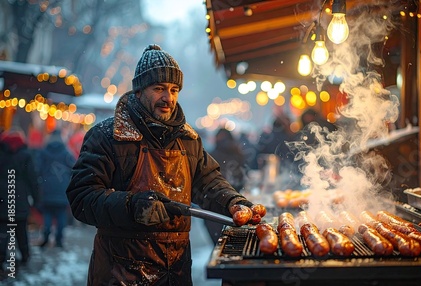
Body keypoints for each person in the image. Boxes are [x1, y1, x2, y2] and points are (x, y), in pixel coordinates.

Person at [66, 44, 261, 285]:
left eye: (174, 89)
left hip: (175, 272)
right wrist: (132, 207)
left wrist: (232, 201)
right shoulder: (107, 136)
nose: (168, 98)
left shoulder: (188, 139)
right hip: (121, 272)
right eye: (158, 88)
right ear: (139, 91)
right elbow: (81, 197)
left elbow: (208, 181)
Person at [0, 129, 39, 279]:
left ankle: (2, 259)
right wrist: (36, 199)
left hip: (3, 199)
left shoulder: (1, 155)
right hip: (20, 198)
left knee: (3, 230)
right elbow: (32, 179)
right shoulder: (25, 155)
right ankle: (25, 255)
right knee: (21, 230)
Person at [36, 129, 76, 248]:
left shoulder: (43, 152)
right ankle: (59, 239)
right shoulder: (67, 152)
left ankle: (46, 235)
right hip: (62, 189)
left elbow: (38, 169)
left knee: (47, 213)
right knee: (60, 215)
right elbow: (75, 167)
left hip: (46, 187)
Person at [205, 128, 246, 244]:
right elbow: (242, 178)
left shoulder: (212, 155)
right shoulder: (238, 153)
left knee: (219, 244)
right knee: (231, 242)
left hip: (214, 207)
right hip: (234, 202)